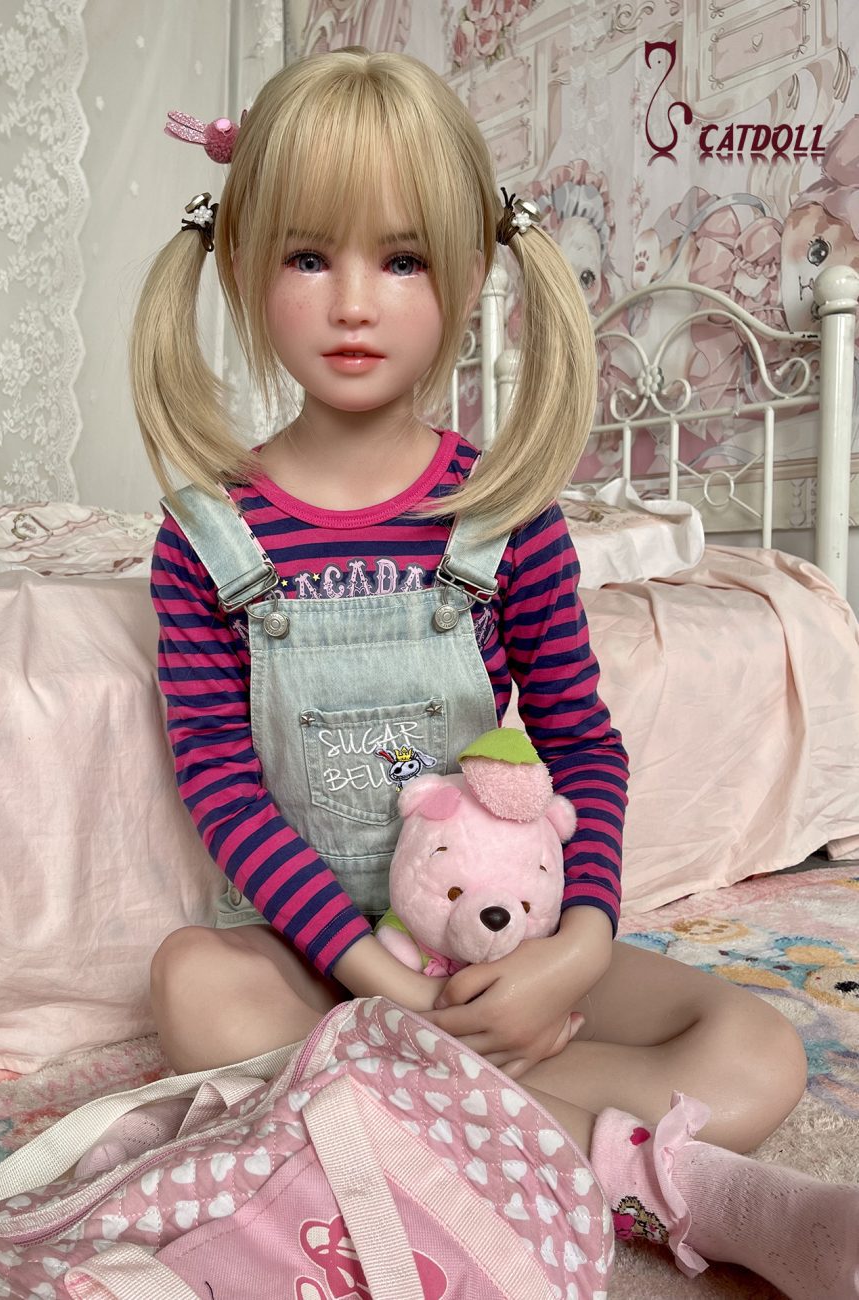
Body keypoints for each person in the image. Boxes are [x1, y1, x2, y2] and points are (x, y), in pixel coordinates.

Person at [122, 49, 856, 1299]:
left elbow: (582, 743)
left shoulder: (504, 516)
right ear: (242, 268)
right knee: (192, 988)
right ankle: (677, 1182)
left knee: (757, 1048)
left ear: (469, 280)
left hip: (490, 940)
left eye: (403, 260)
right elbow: (222, 784)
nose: (356, 304)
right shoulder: (207, 533)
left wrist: (576, 948)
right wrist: (377, 983)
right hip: (322, 962)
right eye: (310, 257)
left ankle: (380, 1121)